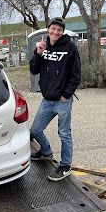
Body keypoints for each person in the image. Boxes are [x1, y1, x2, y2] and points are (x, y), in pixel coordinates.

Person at [30, 17, 81, 181]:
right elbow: (34, 69)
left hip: (62, 100)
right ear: (48, 29)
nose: (55, 32)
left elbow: (76, 75)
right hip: (47, 99)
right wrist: (38, 53)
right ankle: (46, 151)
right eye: (53, 29)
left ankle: (66, 166)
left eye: (59, 29)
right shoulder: (44, 47)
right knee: (35, 129)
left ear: (62, 31)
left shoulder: (70, 48)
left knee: (64, 133)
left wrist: (66, 95)